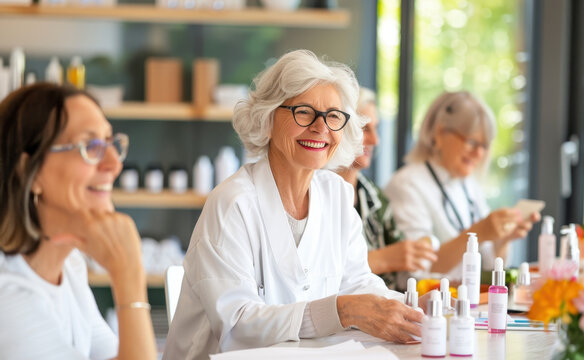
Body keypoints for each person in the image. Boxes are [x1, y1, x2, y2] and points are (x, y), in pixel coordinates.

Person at [163, 50, 428, 358]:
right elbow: (236, 326)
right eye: (304, 112)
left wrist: (404, 307)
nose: (321, 128)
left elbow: (357, 283)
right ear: (268, 117)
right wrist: (340, 311)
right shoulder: (233, 204)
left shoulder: (337, 195)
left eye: (333, 116)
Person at [0, 83, 156, 360]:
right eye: (89, 146)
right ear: (29, 172)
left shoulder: (69, 266)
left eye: (110, 143)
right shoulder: (8, 298)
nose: (113, 164)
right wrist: (128, 275)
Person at [385, 91, 540, 277]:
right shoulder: (406, 184)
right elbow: (418, 269)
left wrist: (502, 239)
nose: (478, 154)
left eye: (484, 146)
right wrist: (479, 232)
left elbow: (487, 266)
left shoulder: (468, 185)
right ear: (440, 134)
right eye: (472, 142)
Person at [336, 87, 436, 290]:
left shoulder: (375, 196)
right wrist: (381, 259)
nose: (375, 140)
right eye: (365, 128)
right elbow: (315, 277)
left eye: (376, 129)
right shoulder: (316, 193)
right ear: (339, 127)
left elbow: (405, 265)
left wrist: (415, 252)